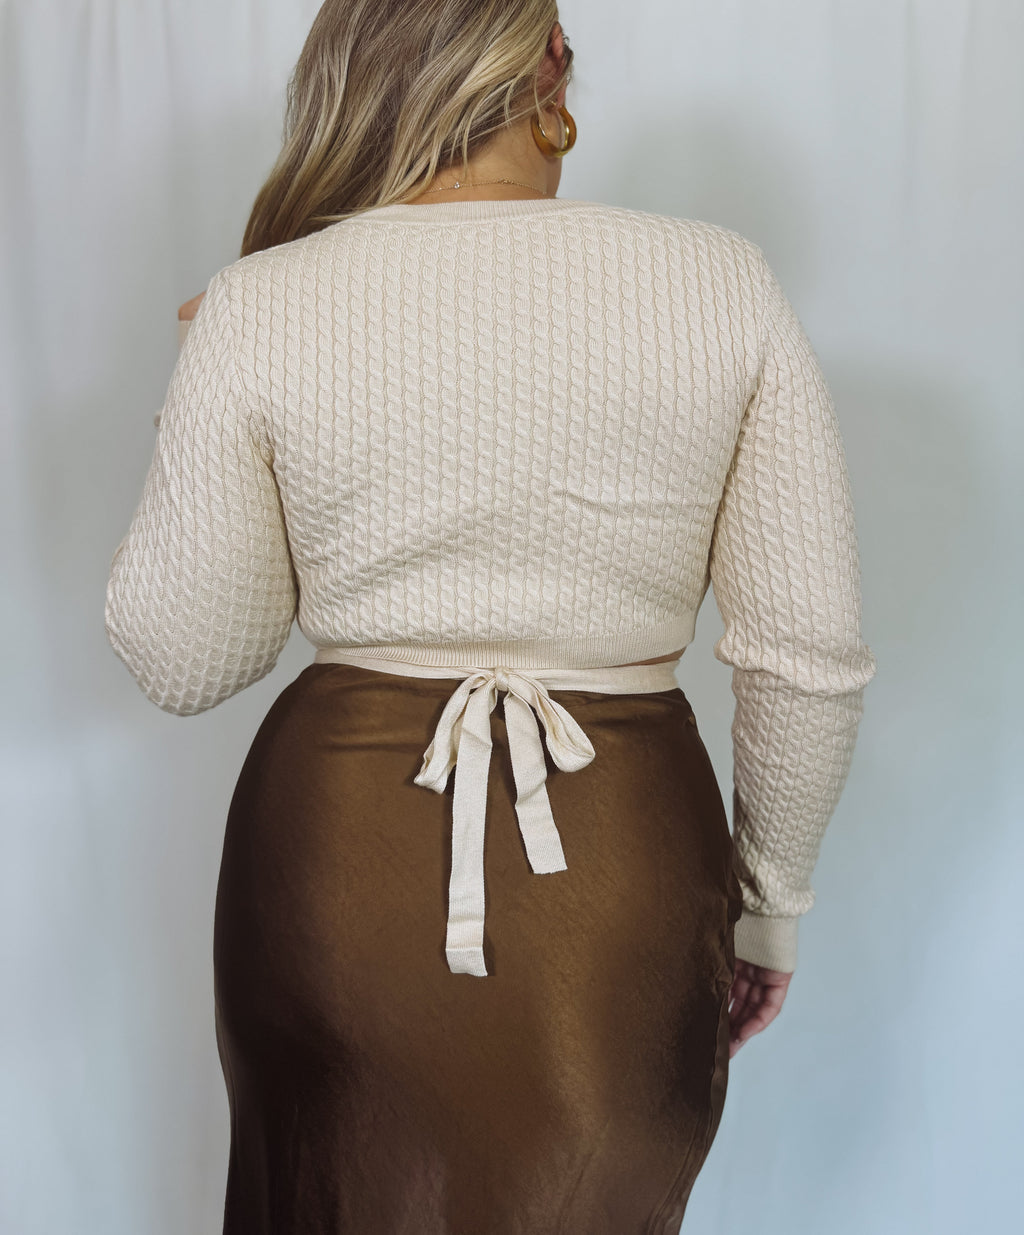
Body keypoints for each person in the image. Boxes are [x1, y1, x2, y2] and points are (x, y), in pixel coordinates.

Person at [105, 1, 878, 1230]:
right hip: (624, 870)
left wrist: (193, 402)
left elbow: (187, 654)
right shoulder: (721, 282)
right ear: (549, 73)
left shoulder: (262, 302)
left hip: (333, 866)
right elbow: (807, 655)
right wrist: (766, 905)